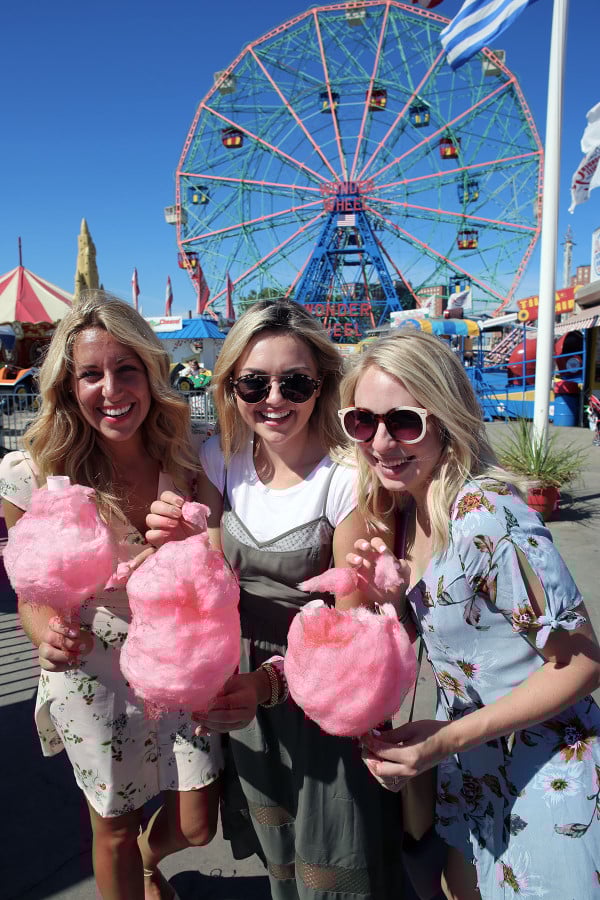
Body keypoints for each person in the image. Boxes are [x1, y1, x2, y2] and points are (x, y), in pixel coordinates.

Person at [147, 299, 405, 899]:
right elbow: (210, 577)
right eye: (253, 382)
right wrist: (177, 545)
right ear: (230, 384)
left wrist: (268, 684)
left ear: (322, 385)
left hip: (317, 701)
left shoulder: (346, 478)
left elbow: (353, 640)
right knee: (279, 856)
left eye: (295, 382)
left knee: (335, 859)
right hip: (241, 691)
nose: (274, 398)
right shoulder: (221, 458)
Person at [340, 328, 600, 900]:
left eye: (404, 421)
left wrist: (446, 740)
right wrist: (388, 604)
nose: (381, 442)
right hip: (475, 766)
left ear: (447, 417)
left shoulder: (485, 514)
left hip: (546, 770)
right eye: (361, 421)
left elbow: (580, 662)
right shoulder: (409, 509)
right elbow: (467, 640)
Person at [0, 291, 223, 900]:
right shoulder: (32, 473)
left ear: (151, 374)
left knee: (199, 820)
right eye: (91, 374)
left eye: (127, 370)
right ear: (68, 385)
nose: (111, 388)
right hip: (90, 664)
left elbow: (224, 551)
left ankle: (154, 863)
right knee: (113, 828)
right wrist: (46, 632)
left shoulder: (188, 453)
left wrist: (199, 536)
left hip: (179, 654)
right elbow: (31, 590)